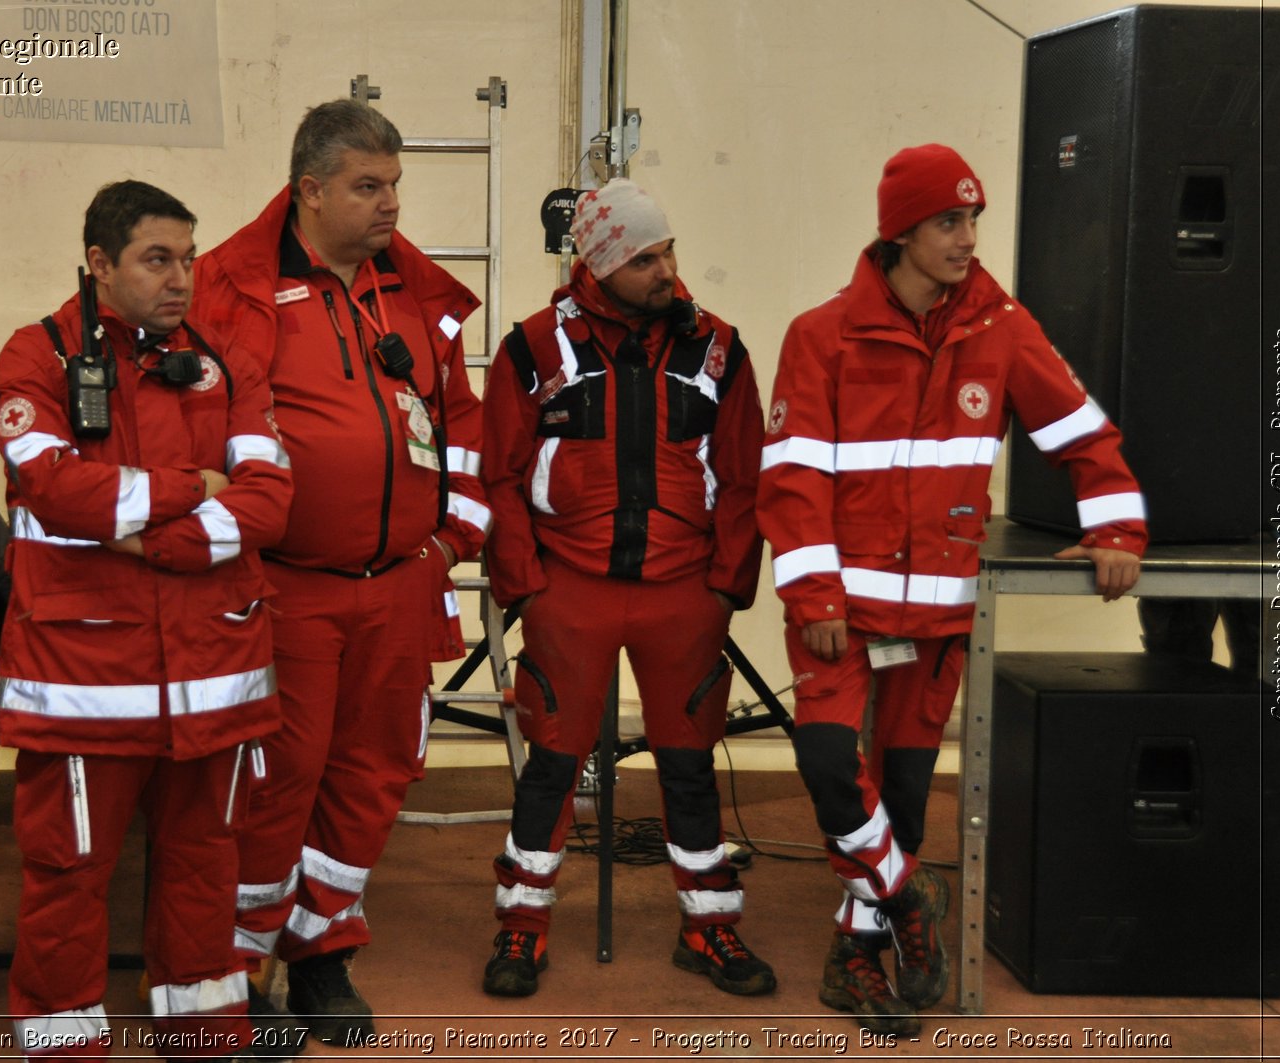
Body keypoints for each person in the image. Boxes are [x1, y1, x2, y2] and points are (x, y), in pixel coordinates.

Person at [757, 144, 1147, 1034]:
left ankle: (855, 960)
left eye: (973, 220)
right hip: (839, 612)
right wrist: (814, 597)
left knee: (900, 793)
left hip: (937, 613)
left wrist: (1118, 529)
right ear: (900, 232)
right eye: (947, 222)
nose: (968, 239)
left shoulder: (1001, 328)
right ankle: (904, 896)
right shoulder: (822, 336)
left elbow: (1084, 432)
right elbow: (792, 477)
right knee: (825, 764)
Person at [189, 99, 490, 1041]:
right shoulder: (228, 291)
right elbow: (198, 442)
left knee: (373, 776)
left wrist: (452, 543)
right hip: (286, 588)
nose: (390, 204)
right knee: (277, 784)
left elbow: (465, 427)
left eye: (396, 184)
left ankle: (322, 953)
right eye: (369, 187)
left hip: (401, 586)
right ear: (309, 191)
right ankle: (237, 976)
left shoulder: (411, 292)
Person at [0, 180, 293, 1060]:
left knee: (207, 864)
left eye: (189, 259)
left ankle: (202, 1029)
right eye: (157, 259)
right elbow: (50, 486)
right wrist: (192, 491)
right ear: (99, 263)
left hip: (215, 672)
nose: (181, 279)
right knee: (67, 875)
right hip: (84, 682)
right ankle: (62, 1042)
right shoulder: (35, 356)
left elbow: (270, 501)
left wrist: (150, 539)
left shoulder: (226, 355)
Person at [477, 179, 773, 999]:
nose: (666, 270)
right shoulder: (534, 349)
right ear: (601, 264)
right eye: (645, 258)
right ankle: (522, 923)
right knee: (551, 765)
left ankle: (710, 925)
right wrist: (526, 586)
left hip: (685, 595)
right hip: (568, 589)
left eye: (668, 250)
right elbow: (494, 473)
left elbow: (747, 476)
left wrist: (726, 587)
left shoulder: (719, 349)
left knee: (687, 765)